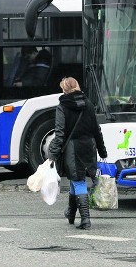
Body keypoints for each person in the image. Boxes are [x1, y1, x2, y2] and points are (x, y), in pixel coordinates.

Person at [47, 77, 108, 230]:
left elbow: (60, 134)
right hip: (89, 146)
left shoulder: (62, 106)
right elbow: (96, 130)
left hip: (72, 148)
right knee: (76, 179)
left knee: (78, 180)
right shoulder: (88, 104)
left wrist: (52, 155)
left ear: (64, 90)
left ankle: (86, 219)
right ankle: (71, 212)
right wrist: (102, 150)